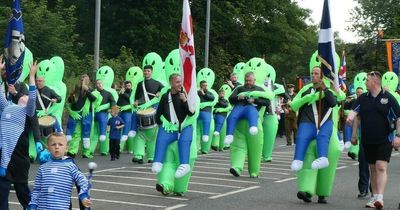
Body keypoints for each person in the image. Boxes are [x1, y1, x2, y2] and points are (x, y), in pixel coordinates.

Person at [347, 71, 400, 209]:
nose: (365, 83)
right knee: (373, 169)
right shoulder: (363, 98)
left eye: (367, 81)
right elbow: (354, 111)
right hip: (367, 139)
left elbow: (398, 118)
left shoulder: (388, 98)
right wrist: (350, 117)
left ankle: (380, 198)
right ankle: (374, 196)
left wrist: (398, 136)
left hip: (385, 139)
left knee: (381, 167)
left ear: (375, 82)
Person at [0, 59, 37, 210]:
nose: (25, 96)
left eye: (27, 96)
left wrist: (32, 77)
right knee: (2, 192)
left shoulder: (27, 113)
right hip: (4, 159)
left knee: (23, 193)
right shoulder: (7, 107)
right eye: (23, 95)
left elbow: (33, 98)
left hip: (20, 159)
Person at [290, 67, 337, 171]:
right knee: (301, 137)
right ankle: (298, 159)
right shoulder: (306, 89)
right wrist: (306, 98)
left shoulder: (329, 89)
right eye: (312, 73)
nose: (313, 75)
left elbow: (333, 103)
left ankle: (323, 158)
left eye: (316, 73)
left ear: (322, 76)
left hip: (324, 121)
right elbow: (293, 105)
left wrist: (324, 88)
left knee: (323, 136)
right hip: (307, 120)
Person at [28, 132, 91, 209]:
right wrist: (32, 205)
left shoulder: (70, 166)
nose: (57, 147)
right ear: (48, 148)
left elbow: (83, 181)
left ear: (66, 148)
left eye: (60, 144)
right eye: (53, 144)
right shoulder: (42, 168)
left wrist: (83, 196)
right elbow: (36, 190)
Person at [151, 73, 195, 178]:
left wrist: (184, 100)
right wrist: (161, 124)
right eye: (177, 82)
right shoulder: (166, 96)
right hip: (170, 127)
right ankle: (157, 161)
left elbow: (191, 113)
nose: (180, 84)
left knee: (184, 141)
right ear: (171, 83)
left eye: (181, 81)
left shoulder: (186, 94)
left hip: (184, 127)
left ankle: (184, 164)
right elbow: (159, 112)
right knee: (161, 139)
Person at [224, 72, 267, 144]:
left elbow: (267, 102)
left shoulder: (260, 89)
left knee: (252, 112)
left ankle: (253, 126)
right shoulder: (239, 88)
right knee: (231, 117)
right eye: (246, 81)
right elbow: (230, 99)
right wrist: (238, 98)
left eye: (250, 81)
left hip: (252, 107)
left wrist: (255, 100)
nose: (248, 82)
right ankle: (229, 135)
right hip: (239, 107)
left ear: (254, 80)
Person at [132, 65, 164, 163]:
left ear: (152, 72)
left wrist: (160, 92)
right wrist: (136, 102)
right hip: (142, 111)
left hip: (153, 110)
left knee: (153, 137)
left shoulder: (158, 84)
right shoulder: (140, 84)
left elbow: (165, 92)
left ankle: (151, 157)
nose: (146, 73)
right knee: (139, 135)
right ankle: (138, 155)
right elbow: (137, 97)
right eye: (145, 71)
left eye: (148, 71)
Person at [65, 74, 97, 154]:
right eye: (82, 80)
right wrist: (71, 95)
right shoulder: (77, 89)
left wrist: (87, 91)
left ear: (88, 81)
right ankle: (72, 151)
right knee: (76, 133)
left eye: (85, 80)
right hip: (76, 113)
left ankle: (86, 152)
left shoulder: (92, 90)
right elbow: (70, 101)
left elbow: (93, 99)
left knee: (86, 132)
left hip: (86, 114)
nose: (83, 81)